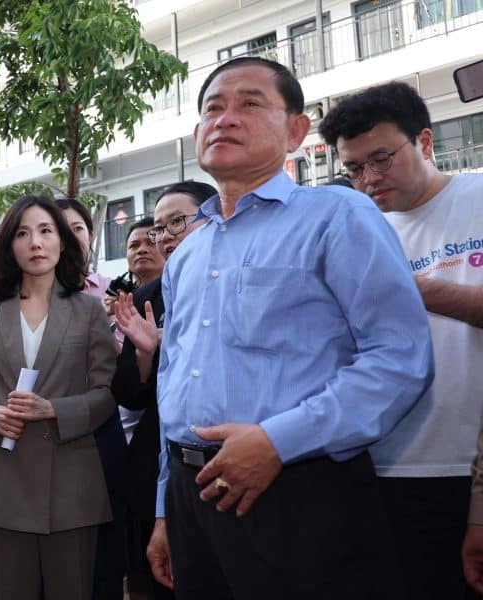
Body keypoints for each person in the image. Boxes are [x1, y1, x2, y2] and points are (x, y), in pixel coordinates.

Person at [147, 57, 433, 599]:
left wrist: (278, 442)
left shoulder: (336, 216)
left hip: (298, 486)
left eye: (250, 104)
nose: (225, 119)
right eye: (213, 108)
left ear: (296, 131)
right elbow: (174, 379)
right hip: (193, 497)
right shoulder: (187, 254)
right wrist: (166, 508)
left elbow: (399, 359)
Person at [319, 81, 483, 598]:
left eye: (381, 159)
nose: (368, 178)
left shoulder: (476, 199)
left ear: (427, 142)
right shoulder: (358, 231)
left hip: (469, 464)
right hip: (383, 467)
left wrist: (407, 289)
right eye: (353, 168)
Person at [0, 195, 118, 600]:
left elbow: (106, 393)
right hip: (4, 484)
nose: (36, 243)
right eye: (23, 233)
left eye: (46, 231)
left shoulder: (89, 310)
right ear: (10, 245)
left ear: (62, 241)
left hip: (73, 486)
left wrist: (53, 410)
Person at [109, 180, 216, 600]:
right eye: (159, 227)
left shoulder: (230, 283)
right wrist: (145, 353)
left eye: (178, 222)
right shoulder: (146, 298)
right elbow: (128, 393)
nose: (166, 235)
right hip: (160, 466)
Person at [56, 197, 126, 600]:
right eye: (57, 228)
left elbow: (125, 369)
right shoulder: (25, 297)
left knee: (104, 550)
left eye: (77, 228)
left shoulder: (113, 294)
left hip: (101, 426)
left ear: (91, 236)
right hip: (48, 431)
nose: (69, 236)